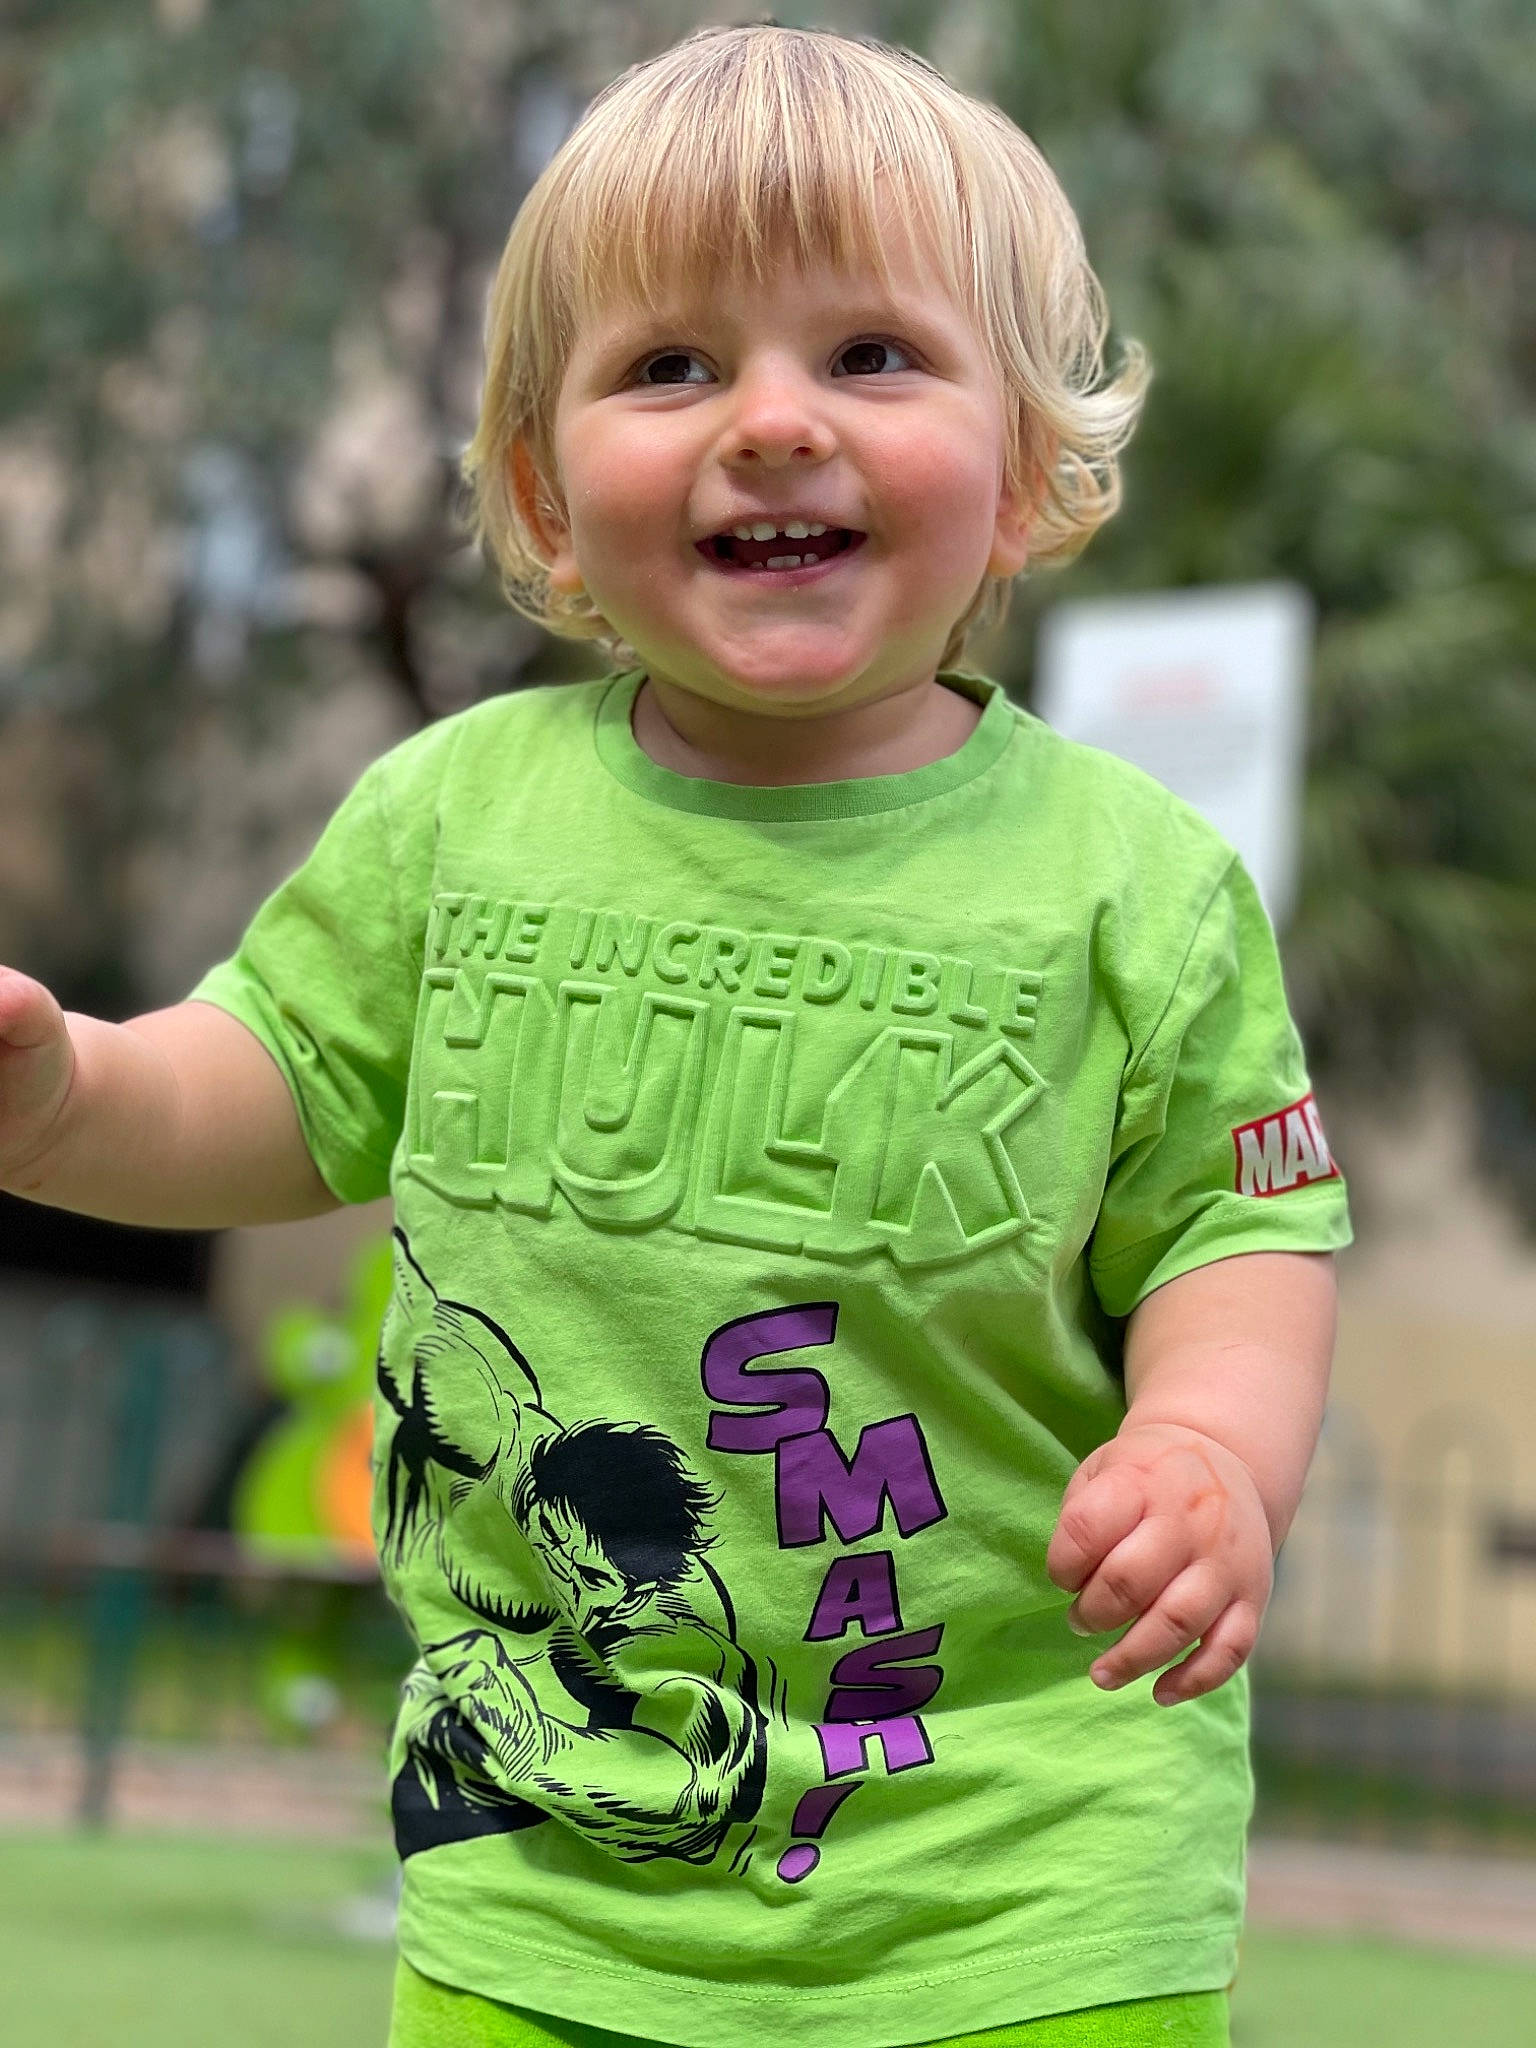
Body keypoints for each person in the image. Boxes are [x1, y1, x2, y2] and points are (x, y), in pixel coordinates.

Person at [0, 24, 1351, 2048]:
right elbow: (270, 1083)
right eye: (672, 366)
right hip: (550, 1875)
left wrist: (1206, 1450)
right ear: (546, 486)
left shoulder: (1131, 884)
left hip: (1025, 1870)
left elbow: (1241, 1232)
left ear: (1030, 468)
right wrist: (72, 1092)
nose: (774, 424)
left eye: (874, 357)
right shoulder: (456, 819)